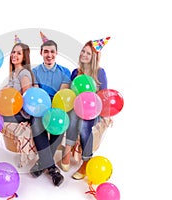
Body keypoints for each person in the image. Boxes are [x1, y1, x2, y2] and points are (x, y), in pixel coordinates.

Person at [60, 37, 110, 180]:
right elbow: (71, 94)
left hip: (93, 111)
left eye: (88, 53)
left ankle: (86, 161)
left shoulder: (100, 73)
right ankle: (67, 150)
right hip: (76, 109)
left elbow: (104, 96)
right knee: (74, 115)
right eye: (83, 51)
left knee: (84, 124)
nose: (84, 55)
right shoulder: (76, 72)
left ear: (93, 57)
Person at [30, 33, 71, 186]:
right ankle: (52, 169)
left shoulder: (65, 72)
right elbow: (35, 94)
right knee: (36, 122)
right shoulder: (34, 72)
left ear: (56, 53)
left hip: (56, 107)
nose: (49, 55)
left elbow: (61, 96)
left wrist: (53, 111)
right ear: (41, 53)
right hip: (40, 109)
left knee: (60, 122)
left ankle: (42, 164)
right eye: (46, 51)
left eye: (52, 51)